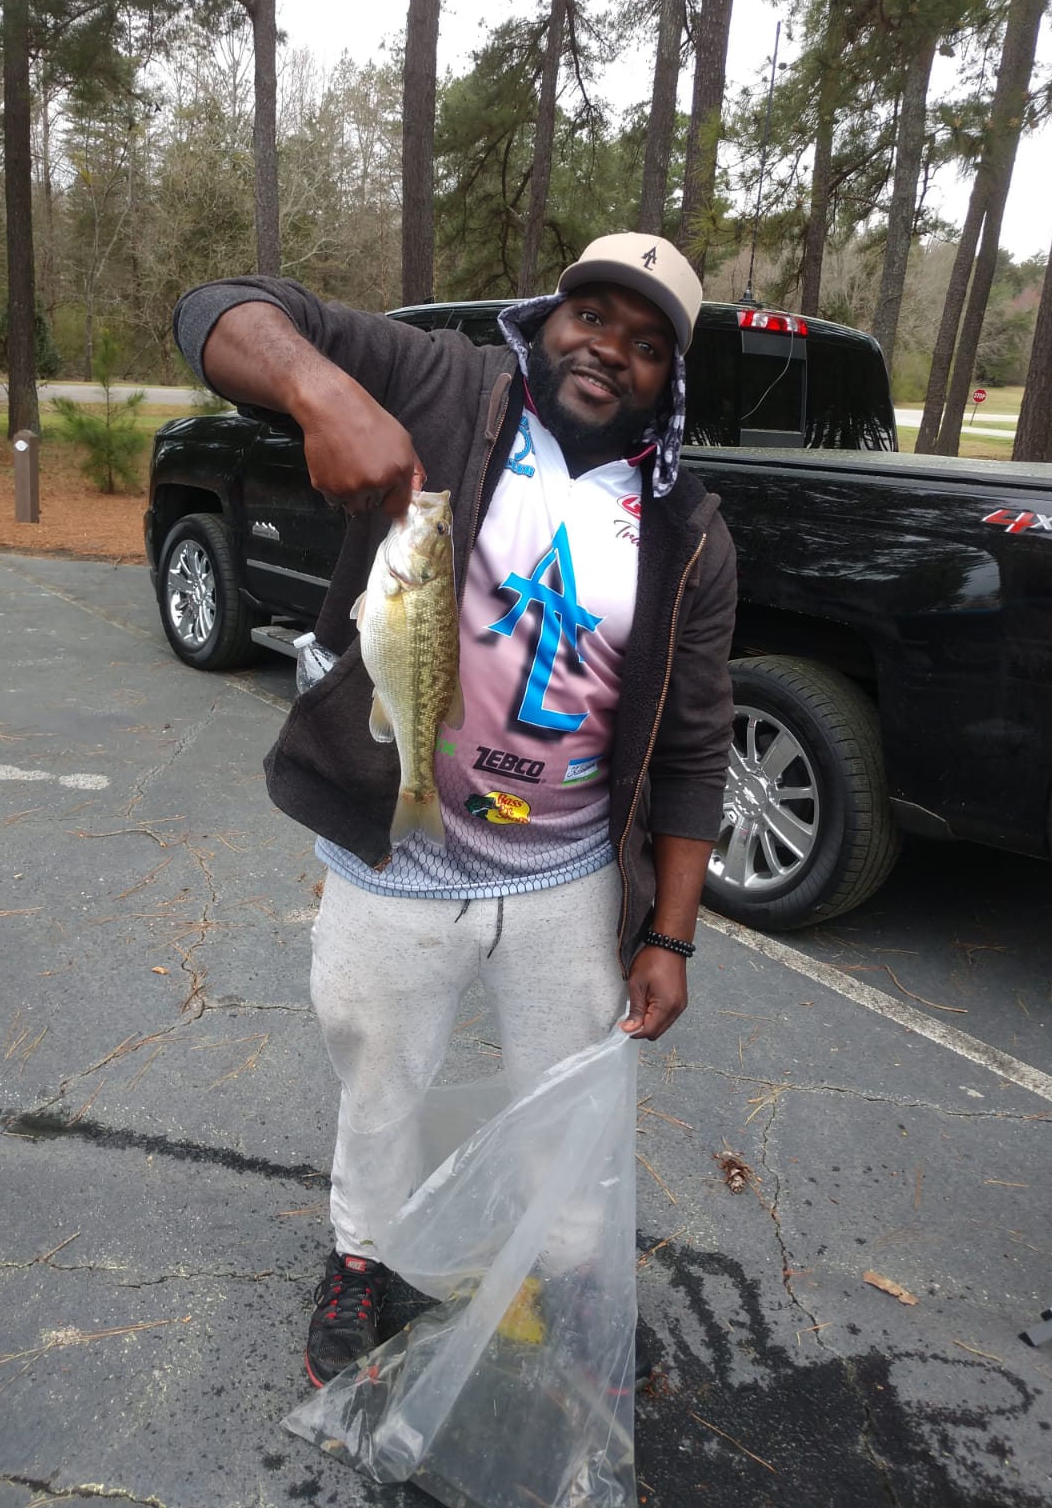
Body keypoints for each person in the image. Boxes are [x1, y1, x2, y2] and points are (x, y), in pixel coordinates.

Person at [173, 233, 737, 1389]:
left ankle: (572, 1271)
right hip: (401, 849)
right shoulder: (438, 383)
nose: (609, 350)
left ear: (668, 380)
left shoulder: (687, 528)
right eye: (592, 315)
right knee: (379, 1076)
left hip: (567, 870)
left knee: (568, 1098)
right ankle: (363, 1256)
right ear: (548, 316)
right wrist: (324, 392)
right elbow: (219, 310)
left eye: (646, 344)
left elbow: (692, 748)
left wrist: (671, 936)